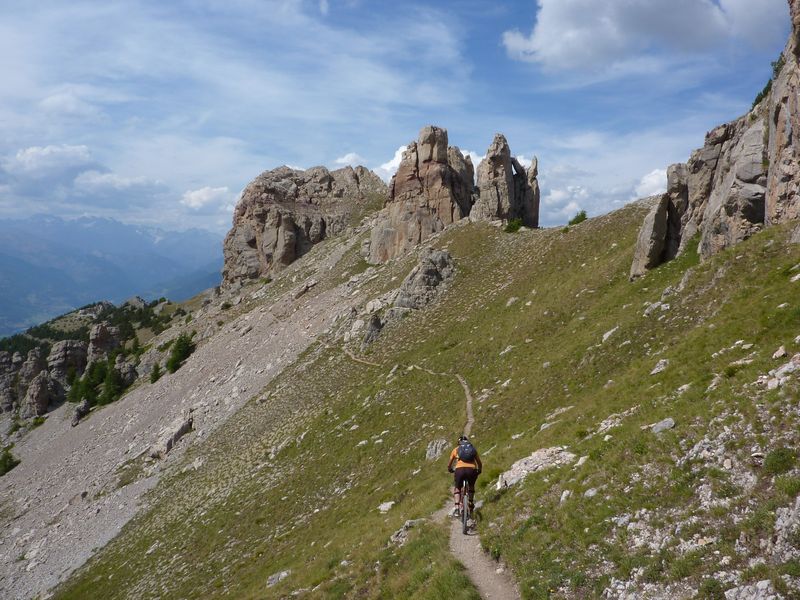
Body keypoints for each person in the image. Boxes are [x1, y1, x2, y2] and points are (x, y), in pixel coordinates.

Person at [447, 435, 482, 517]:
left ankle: (456, 508)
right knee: (471, 485)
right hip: (471, 470)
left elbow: (449, 464)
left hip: (459, 470)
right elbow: (479, 463)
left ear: (459, 443)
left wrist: (450, 469)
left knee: (457, 488)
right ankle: (470, 502)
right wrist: (479, 470)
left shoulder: (456, 450)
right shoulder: (472, 449)